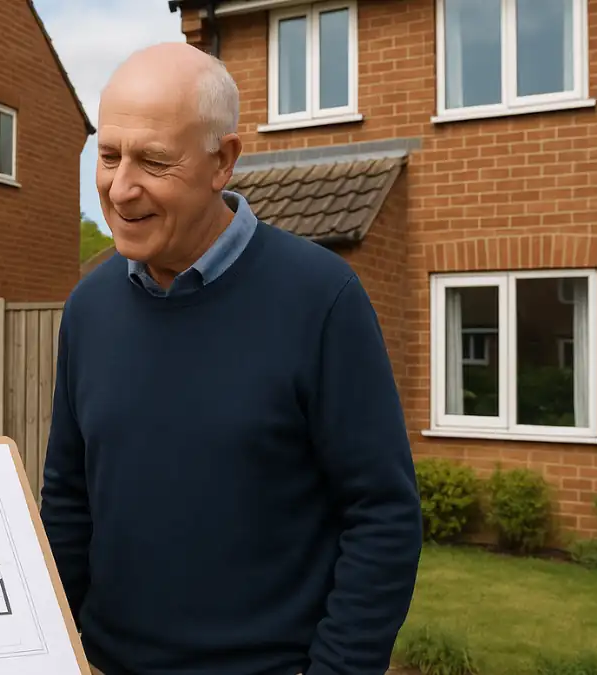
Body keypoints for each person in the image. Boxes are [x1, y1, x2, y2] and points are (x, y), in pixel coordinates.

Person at [39, 42, 423, 675]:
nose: (120, 187)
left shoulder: (321, 299)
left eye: (153, 162)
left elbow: (381, 516)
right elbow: (70, 499)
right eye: (108, 157)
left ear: (223, 162)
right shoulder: (89, 307)